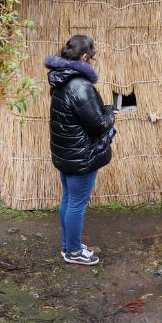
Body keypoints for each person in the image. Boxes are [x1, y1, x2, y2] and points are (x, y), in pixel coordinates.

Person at [45, 35, 116, 266]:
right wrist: (109, 114)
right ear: (85, 57)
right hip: (81, 156)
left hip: (65, 153)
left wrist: (101, 111)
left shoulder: (60, 80)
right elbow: (98, 124)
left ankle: (69, 246)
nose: (92, 62)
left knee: (68, 199)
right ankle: (74, 252)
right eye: (92, 58)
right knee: (77, 203)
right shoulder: (80, 85)